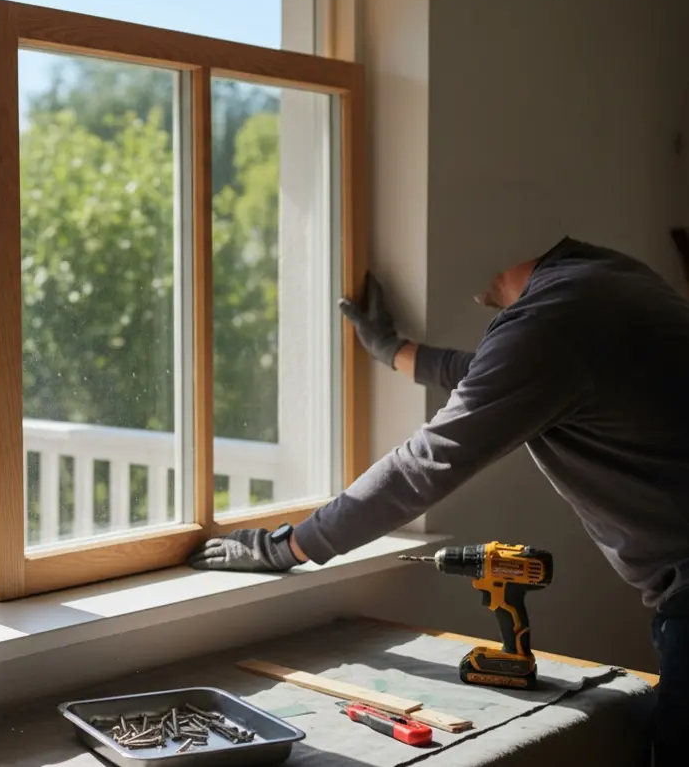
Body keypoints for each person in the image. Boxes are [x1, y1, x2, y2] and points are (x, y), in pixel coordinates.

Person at [188, 237, 689, 764]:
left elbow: (425, 463)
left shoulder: (554, 319)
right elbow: (494, 374)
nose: (482, 298)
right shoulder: (611, 279)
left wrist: (290, 546)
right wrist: (392, 350)